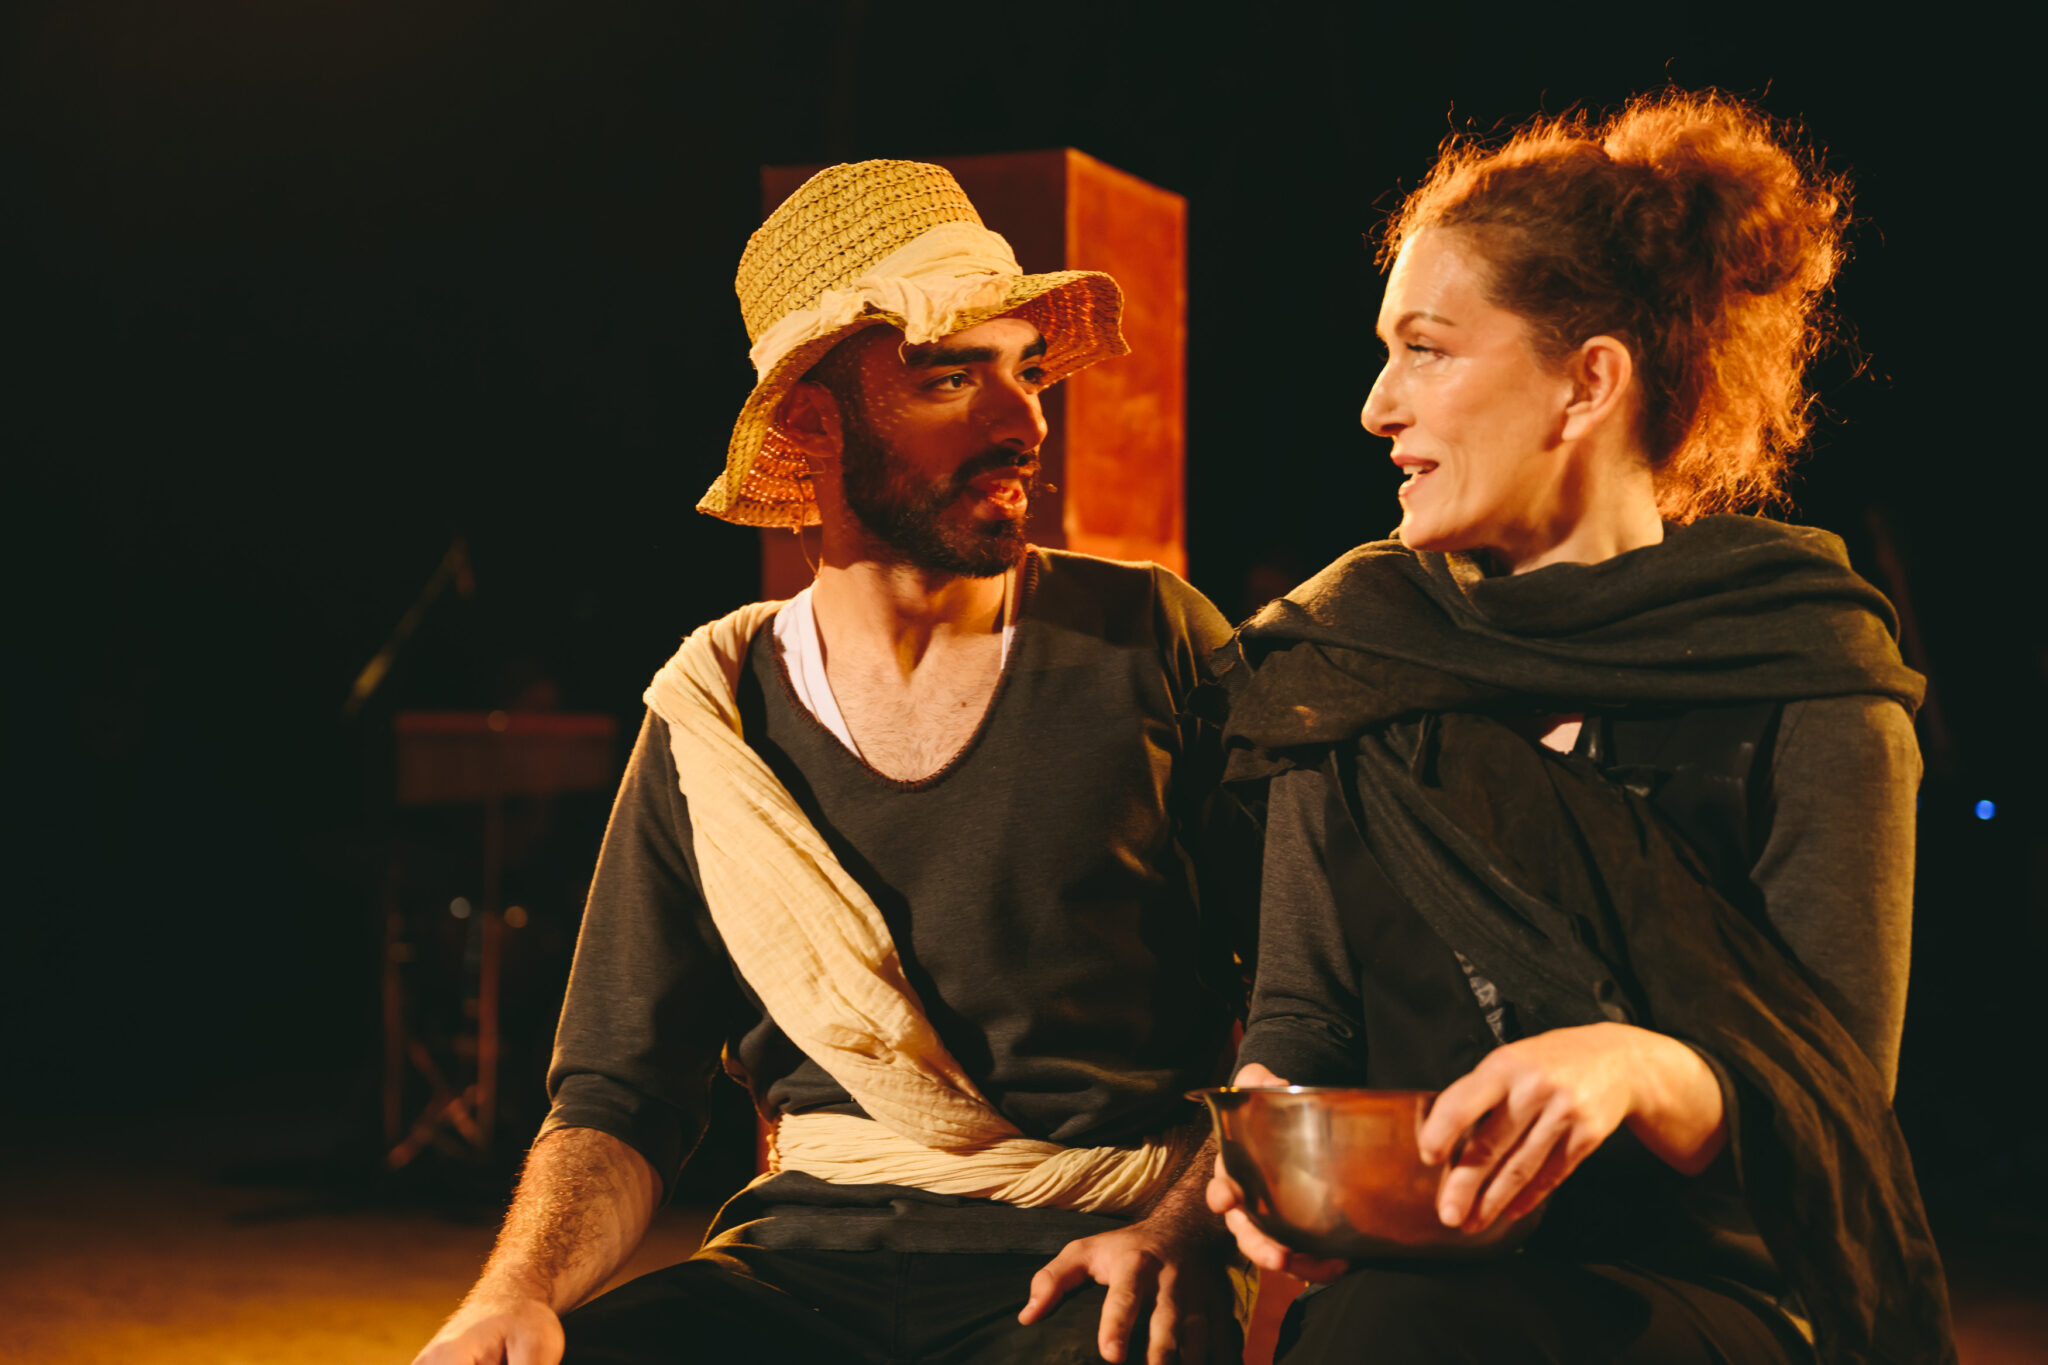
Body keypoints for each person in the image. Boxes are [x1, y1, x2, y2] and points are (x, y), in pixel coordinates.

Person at [412, 160, 1253, 1365]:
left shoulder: (1154, 640)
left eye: (1024, 370)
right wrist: (512, 1293)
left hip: (1095, 1254)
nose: (1023, 422)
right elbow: (619, 1095)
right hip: (797, 1267)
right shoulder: (714, 708)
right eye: (948, 378)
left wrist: (1185, 1229)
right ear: (810, 422)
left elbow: (1309, 1012)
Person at [1204, 92, 1956, 1363]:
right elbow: (1299, 1014)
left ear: (1585, 383)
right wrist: (1267, 1131)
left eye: (1426, 350)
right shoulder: (1346, 661)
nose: (1377, 406)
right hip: (1409, 1286)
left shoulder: (1806, 673)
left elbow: (1833, 1108)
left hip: (1696, 1293)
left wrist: (1636, 1068)